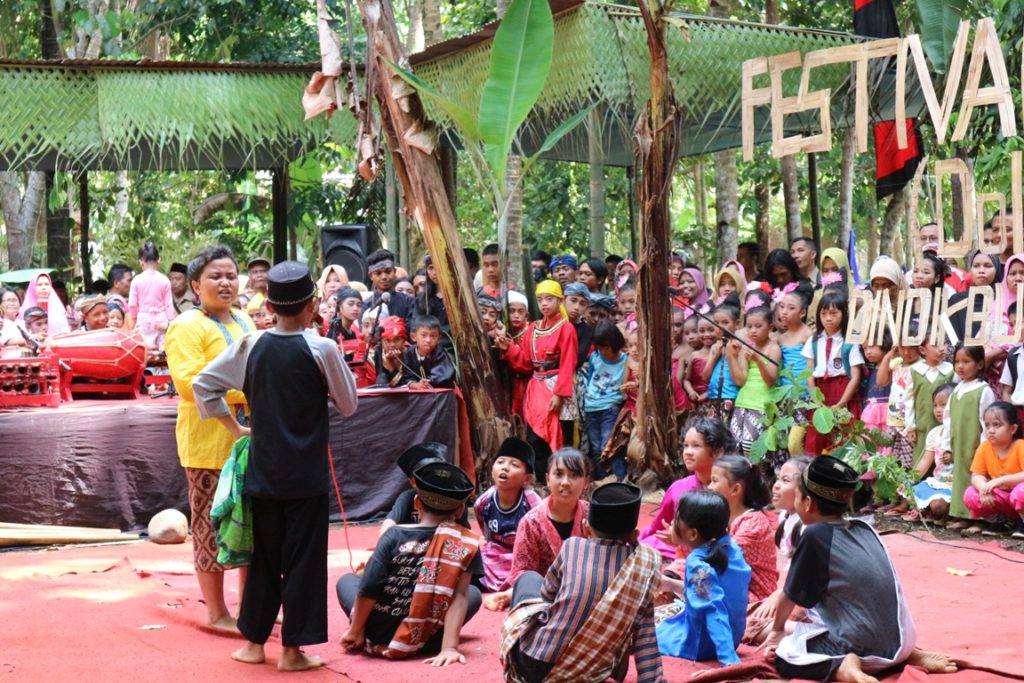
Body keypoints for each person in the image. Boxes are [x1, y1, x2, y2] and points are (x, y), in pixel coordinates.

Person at [192, 260, 358, 671]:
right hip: (305, 474)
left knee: (263, 557)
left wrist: (238, 429)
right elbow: (349, 405)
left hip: (262, 472)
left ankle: (253, 644)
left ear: (270, 306)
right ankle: (292, 651)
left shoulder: (251, 344)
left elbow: (203, 386)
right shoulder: (322, 347)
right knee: (303, 560)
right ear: (311, 305)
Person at [765, 455, 957, 682]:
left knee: (785, 654)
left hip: (863, 649)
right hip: (902, 640)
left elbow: (790, 596)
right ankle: (907, 656)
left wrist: (775, 631)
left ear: (808, 503)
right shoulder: (864, 528)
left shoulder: (815, 536)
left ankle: (842, 667)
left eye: (797, 497)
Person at [164, 244, 255, 634]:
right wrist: (250, 388)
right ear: (196, 285)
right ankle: (217, 613)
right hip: (207, 447)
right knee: (209, 527)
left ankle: (252, 607)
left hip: (249, 442)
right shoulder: (186, 325)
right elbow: (191, 384)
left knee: (252, 525)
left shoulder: (245, 320)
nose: (225, 283)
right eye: (215, 277)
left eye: (231, 275)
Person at [501, 483, 662, 683]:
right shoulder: (647, 565)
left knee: (528, 578)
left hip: (534, 664)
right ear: (634, 535)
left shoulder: (572, 546)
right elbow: (645, 637)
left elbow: (547, 597)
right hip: (590, 671)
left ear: (586, 527)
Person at [338, 462, 483, 665]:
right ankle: (440, 643)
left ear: (416, 503)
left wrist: (354, 631)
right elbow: (459, 595)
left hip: (378, 631)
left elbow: (370, 587)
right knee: (472, 594)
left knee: (347, 580)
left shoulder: (393, 535)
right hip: (425, 636)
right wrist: (450, 648)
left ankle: (362, 633)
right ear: (459, 511)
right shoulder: (466, 544)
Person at [483, 448, 592, 612]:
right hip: (542, 594)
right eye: (559, 474)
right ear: (548, 479)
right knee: (529, 580)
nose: (565, 482)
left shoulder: (593, 516)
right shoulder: (531, 521)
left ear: (586, 481)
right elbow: (523, 571)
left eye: (575, 475)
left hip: (584, 590)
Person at [655, 490, 749, 666]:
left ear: (692, 534)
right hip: (733, 637)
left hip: (701, 645)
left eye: (676, 519)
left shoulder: (697, 564)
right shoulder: (732, 548)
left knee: (650, 631)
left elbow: (712, 608)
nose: (672, 523)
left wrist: (729, 660)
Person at [496, 280, 578, 475]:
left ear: (560, 301)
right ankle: (542, 478)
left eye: (549, 299)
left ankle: (561, 475)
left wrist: (559, 394)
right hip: (535, 386)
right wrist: (509, 348)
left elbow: (568, 364)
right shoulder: (533, 328)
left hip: (556, 386)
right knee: (535, 437)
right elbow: (525, 363)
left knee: (560, 435)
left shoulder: (566, 329)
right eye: (540, 299)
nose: (544, 304)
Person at [639, 417, 735, 560]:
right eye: (685, 446)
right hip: (672, 549)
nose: (688, 452)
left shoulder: (731, 489)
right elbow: (657, 527)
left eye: (696, 446)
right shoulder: (678, 488)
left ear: (717, 452)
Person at [705, 455, 777, 603]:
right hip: (732, 586)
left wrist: (685, 539)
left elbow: (718, 558)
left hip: (755, 598)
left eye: (714, 481)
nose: (709, 487)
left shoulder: (754, 524)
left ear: (735, 489)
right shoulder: (724, 516)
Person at [473, 437, 541, 592]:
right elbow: (484, 528)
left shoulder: (532, 502)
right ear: (492, 470)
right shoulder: (483, 501)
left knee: (532, 579)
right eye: (501, 462)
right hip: (494, 557)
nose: (505, 468)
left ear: (527, 479)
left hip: (523, 557)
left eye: (514, 465)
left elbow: (542, 530)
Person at [802, 292, 863, 454]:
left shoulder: (849, 341)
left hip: (843, 390)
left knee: (844, 436)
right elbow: (809, 372)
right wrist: (815, 398)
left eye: (834, 313)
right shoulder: (814, 339)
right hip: (820, 391)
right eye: (824, 314)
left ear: (844, 314)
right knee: (817, 436)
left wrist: (842, 403)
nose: (828, 318)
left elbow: (855, 377)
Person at [942, 344, 995, 530]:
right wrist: (947, 446)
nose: (960, 366)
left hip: (975, 446)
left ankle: (981, 519)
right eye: (957, 362)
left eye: (966, 361)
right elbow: (947, 420)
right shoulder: (956, 391)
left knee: (977, 479)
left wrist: (983, 449)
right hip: (959, 446)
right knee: (961, 479)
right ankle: (963, 514)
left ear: (980, 364)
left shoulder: (983, 390)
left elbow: (987, 423)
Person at [727, 304, 782, 465]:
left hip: (762, 403)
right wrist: (732, 356)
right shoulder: (746, 348)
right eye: (749, 326)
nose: (753, 330)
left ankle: (759, 481)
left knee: (752, 446)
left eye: (758, 326)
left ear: (770, 327)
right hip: (743, 401)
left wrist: (758, 360)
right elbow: (740, 380)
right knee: (736, 445)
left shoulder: (774, 349)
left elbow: (770, 380)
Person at [960, 401, 1024, 536]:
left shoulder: (1020, 446)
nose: (990, 430)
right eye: (987, 425)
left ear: (1012, 429)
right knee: (970, 494)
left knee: (1020, 492)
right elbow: (977, 475)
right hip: (1005, 499)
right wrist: (984, 488)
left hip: (1019, 496)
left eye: (997, 425)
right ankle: (1003, 523)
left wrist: (999, 481)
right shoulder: (984, 447)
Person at [583, 321, 628, 476]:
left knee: (608, 445)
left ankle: (618, 480)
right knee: (595, 447)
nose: (603, 351)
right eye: (600, 347)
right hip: (591, 406)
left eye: (606, 347)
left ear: (615, 342)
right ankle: (603, 480)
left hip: (610, 407)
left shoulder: (625, 361)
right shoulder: (595, 357)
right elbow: (590, 379)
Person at [911, 384, 955, 524]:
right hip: (937, 482)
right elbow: (925, 461)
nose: (938, 410)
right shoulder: (935, 433)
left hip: (956, 484)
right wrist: (909, 480)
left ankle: (943, 511)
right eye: (935, 405)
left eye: (943, 405)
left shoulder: (963, 432)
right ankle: (935, 511)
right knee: (906, 494)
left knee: (937, 505)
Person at [127, 240, 176, 350]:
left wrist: (134, 319)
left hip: (144, 321)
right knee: (163, 350)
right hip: (161, 320)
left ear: (141, 262)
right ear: (159, 261)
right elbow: (168, 305)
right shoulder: (164, 280)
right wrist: (171, 322)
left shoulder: (136, 280)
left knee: (145, 351)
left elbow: (132, 305)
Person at [399, 315, 455, 389]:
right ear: (413, 337)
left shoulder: (439, 353)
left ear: (439, 338)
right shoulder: (409, 353)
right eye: (423, 335)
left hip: (439, 393)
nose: (428, 340)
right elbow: (406, 376)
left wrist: (429, 381)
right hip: (418, 393)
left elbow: (444, 375)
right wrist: (414, 384)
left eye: (433, 336)